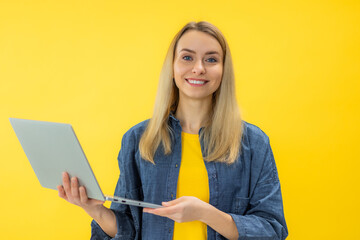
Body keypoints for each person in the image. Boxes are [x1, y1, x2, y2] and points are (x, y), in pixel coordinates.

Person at [57, 21, 288, 240]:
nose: (198, 68)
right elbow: (128, 228)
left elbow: (273, 230)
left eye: (211, 59)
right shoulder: (139, 140)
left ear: (223, 70)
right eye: (187, 57)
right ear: (173, 67)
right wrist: (92, 209)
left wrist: (205, 213)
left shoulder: (254, 144)